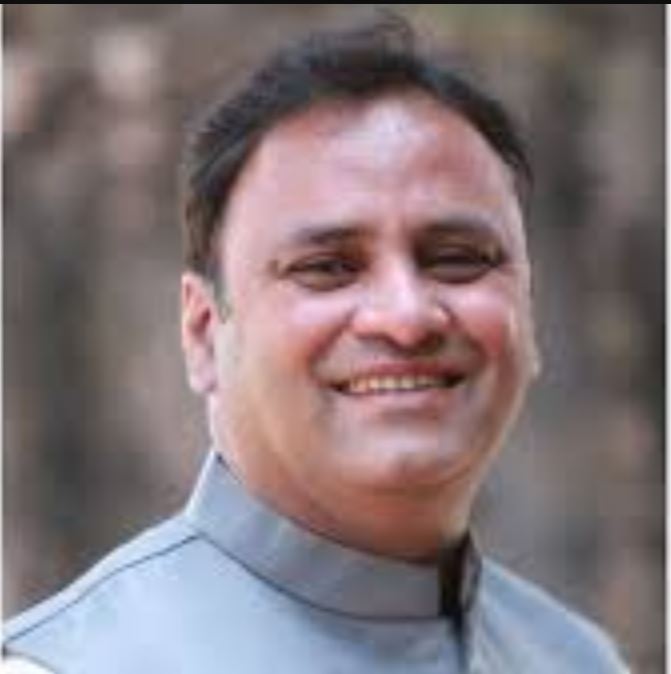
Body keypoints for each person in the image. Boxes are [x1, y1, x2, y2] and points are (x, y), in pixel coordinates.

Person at [4, 16, 630, 673]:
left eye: (457, 258)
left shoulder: (573, 659)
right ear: (203, 332)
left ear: (527, 312)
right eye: (327, 267)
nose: (406, 316)